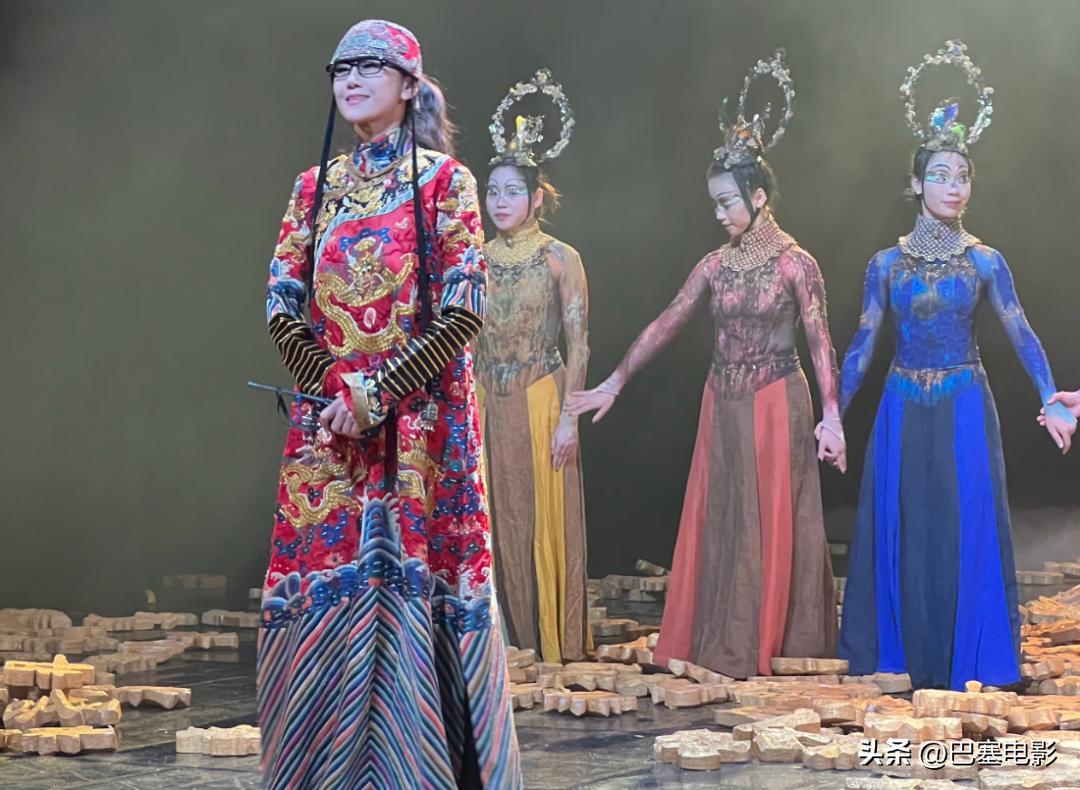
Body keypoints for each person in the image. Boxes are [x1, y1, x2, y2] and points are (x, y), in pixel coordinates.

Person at [258, 19, 521, 789]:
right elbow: (281, 305)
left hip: (419, 427)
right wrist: (335, 391)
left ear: (409, 84)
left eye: (370, 66)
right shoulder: (313, 188)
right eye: (341, 67)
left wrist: (376, 393)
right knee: (331, 574)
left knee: (411, 575)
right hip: (330, 428)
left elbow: (465, 310)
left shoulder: (447, 182)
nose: (351, 78)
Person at [566, 51, 843, 679]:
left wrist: (831, 416)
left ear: (758, 196)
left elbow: (821, 340)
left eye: (726, 202)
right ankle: (721, 637)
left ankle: (773, 643)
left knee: (773, 519)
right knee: (722, 518)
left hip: (776, 400)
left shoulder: (796, 263)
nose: (718, 214)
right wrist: (615, 381)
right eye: (714, 203)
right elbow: (668, 321)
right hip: (722, 399)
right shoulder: (715, 265)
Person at [837, 41, 1075, 692]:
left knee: (967, 525)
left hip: (966, 399)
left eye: (962, 176)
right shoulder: (886, 265)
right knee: (904, 524)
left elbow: (1019, 327)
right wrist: (832, 413)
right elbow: (863, 342)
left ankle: (975, 657)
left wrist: (1050, 394)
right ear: (916, 184)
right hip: (901, 404)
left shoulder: (985, 260)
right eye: (940, 174)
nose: (953, 186)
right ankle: (900, 655)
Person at [474, 70, 591, 663]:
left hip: (543, 396)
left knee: (545, 521)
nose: (500, 201)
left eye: (512, 191)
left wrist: (570, 417)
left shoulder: (559, 258)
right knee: (497, 518)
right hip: (487, 399)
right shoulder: (474, 259)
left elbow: (580, 344)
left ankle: (553, 644)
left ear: (536, 197)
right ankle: (506, 644)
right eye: (492, 191)